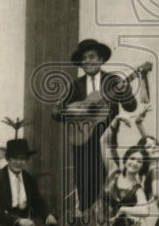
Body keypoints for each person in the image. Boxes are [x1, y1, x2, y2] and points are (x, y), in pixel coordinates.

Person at [52, 38, 138, 214]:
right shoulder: (75, 85)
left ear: (100, 59)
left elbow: (131, 107)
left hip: (107, 142)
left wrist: (126, 94)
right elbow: (55, 112)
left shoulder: (113, 81)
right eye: (84, 59)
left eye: (92, 56)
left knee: (109, 188)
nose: (88, 61)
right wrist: (74, 112)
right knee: (85, 192)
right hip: (82, 144)